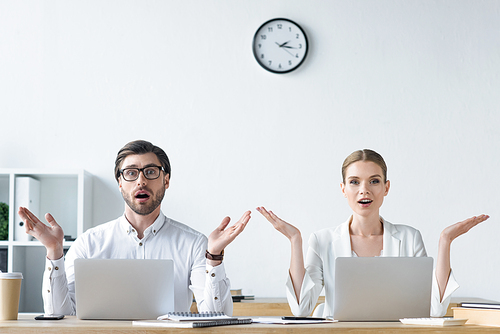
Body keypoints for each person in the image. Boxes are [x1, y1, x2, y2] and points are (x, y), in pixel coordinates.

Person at [18, 140, 251, 316]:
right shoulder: (89, 244)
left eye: (150, 172)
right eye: (131, 173)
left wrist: (214, 258)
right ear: (120, 183)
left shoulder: (194, 244)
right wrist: (54, 252)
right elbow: (59, 316)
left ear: (166, 180)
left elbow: (216, 317)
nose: (141, 181)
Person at [257, 149, 489, 318]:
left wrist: (445, 242)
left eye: (374, 181)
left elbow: (435, 310)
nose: (364, 190)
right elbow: (300, 310)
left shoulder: (409, 238)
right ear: (343, 189)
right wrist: (295, 240)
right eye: (354, 182)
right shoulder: (322, 240)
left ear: (386, 187)